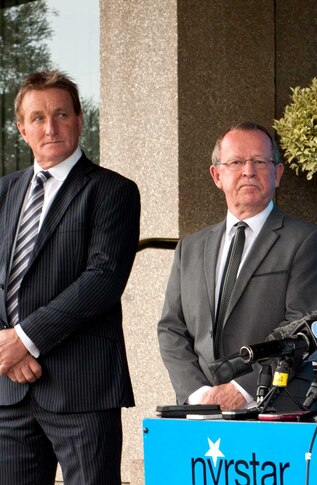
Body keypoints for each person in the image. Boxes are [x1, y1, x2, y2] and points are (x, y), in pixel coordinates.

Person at [0, 71, 140, 485]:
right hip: (9, 391)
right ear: (22, 129)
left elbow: (102, 280)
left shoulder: (112, 191)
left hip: (82, 389)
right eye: (39, 117)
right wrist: (7, 347)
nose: (51, 126)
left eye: (61, 114)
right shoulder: (3, 192)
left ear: (80, 119)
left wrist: (22, 339)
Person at [157, 122, 317, 411]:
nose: (248, 171)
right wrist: (198, 394)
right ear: (217, 175)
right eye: (236, 161)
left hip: (274, 408)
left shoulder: (308, 241)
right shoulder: (190, 248)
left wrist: (241, 389)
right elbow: (171, 329)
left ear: (277, 174)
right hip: (201, 412)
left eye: (260, 162)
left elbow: (301, 327)